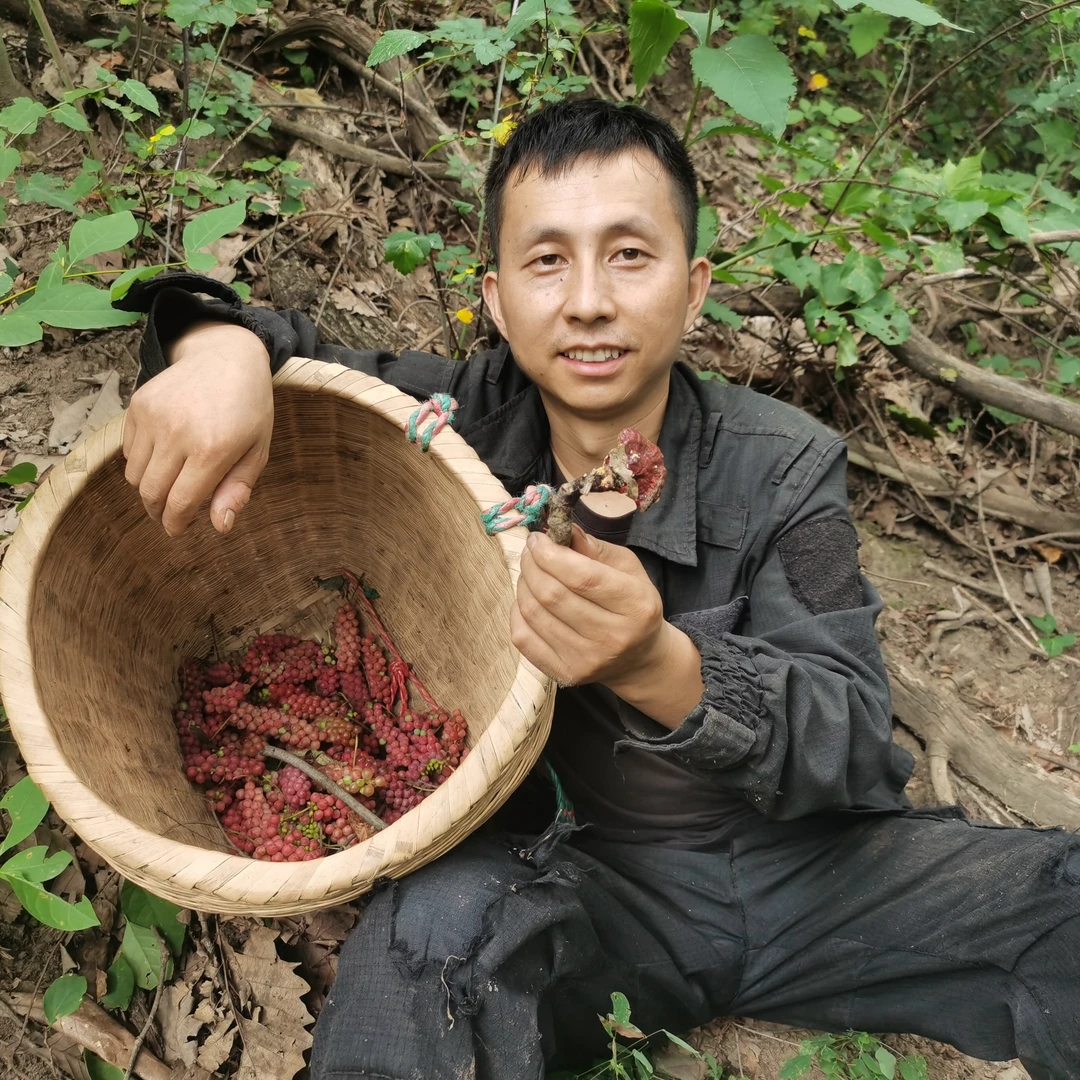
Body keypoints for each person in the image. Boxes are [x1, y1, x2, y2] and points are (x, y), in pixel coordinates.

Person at [117, 100, 1080, 1080]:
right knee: (432, 936)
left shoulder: (782, 468)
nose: (588, 301)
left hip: (813, 875)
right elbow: (253, 341)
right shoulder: (453, 428)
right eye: (547, 261)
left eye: (630, 255)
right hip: (581, 886)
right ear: (494, 299)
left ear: (694, 288)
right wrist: (216, 352)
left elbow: (854, 747)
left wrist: (660, 663)